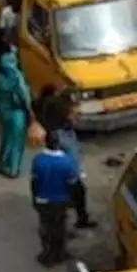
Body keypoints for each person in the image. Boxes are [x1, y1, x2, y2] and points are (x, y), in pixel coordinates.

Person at [33, 87, 95, 229]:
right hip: (64, 177)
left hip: (49, 195)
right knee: (77, 190)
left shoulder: (48, 105)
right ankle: (80, 218)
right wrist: (77, 171)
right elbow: (73, 156)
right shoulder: (63, 123)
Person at [30, 130, 79, 267]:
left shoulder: (38, 160)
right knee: (60, 227)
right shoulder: (67, 162)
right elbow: (73, 184)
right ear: (59, 144)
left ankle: (48, 254)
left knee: (46, 228)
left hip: (43, 201)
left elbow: (34, 182)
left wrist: (34, 198)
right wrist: (72, 201)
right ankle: (60, 253)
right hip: (61, 201)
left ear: (46, 142)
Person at [0, 49, 32, 178]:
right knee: (17, 141)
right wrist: (30, 110)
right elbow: (24, 95)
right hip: (17, 113)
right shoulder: (17, 76)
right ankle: (13, 169)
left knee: (7, 138)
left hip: (4, 113)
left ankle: (4, 163)